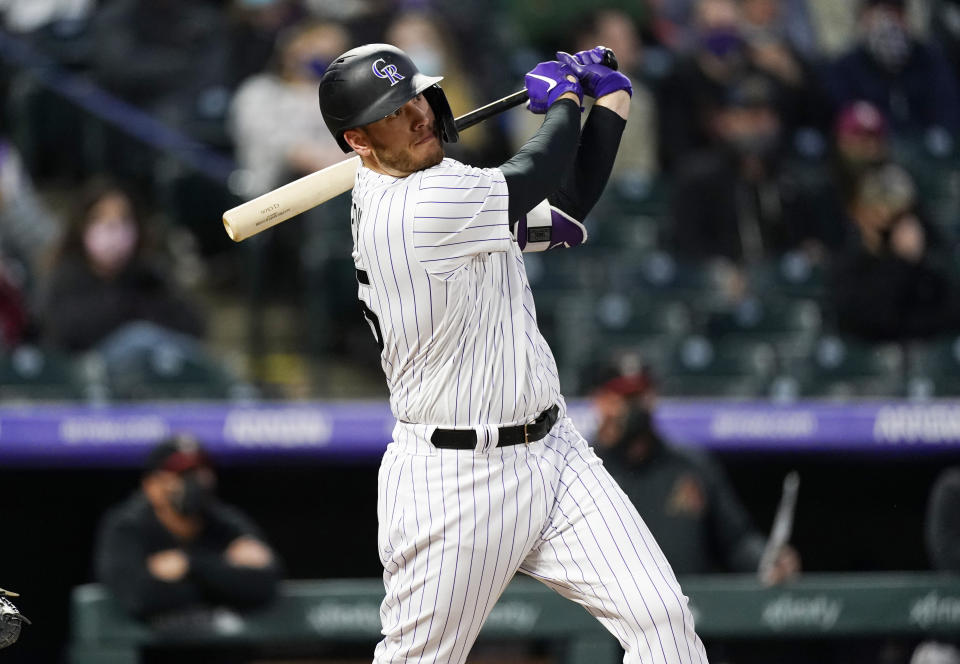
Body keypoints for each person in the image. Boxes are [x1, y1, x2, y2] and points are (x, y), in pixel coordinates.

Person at [317, 43, 707, 663]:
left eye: (416, 96)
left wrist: (607, 106)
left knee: (662, 621)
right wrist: (561, 105)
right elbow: (532, 176)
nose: (418, 115)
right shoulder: (407, 210)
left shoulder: (446, 182)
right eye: (393, 113)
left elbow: (566, 207)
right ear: (359, 141)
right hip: (453, 482)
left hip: (554, 455)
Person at [590, 370, 801, 583]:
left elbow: (736, 540)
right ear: (601, 402)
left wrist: (765, 560)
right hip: (599, 610)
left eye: (637, 397)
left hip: (691, 606)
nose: (629, 409)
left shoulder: (690, 465)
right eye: (621, 398)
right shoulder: (584, 469)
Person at [93, 434, 282, 620]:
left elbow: (264, 586)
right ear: (152, 486)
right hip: (151, 647)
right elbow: (140, 598)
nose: (196, 481)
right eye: (182, 474)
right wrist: (224, 578)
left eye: (201, 471)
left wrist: (190, 565)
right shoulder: (128, 526)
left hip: (225, 646)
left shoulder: (223, 520)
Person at [40, 179, 205, 353]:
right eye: (101, 219)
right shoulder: (64, 281)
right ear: (82, 227)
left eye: (123, 219)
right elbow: (65, 335)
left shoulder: (149, 276)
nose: (113, 229)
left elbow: (193, 326)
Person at [829, 163, 960, 342]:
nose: (890, 221)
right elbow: (872, 322)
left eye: (899, 213)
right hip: (872, 364)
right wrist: (902, 263)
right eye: (880, 211)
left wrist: (915, 260)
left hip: (924, 361)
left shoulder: (927, 263)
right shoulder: (848, 266)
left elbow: (948, 317)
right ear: (860, 214)